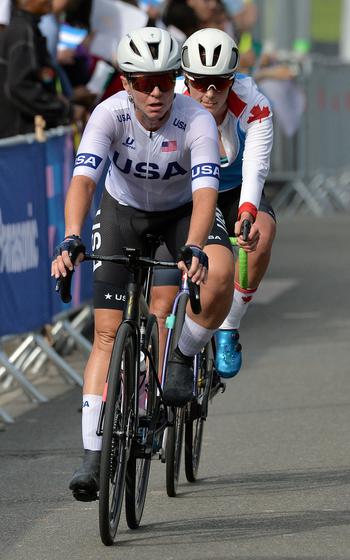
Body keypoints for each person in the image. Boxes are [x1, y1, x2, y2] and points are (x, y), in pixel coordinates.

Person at [51, 27, 235, 501]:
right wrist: (71, 237)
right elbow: (84, 183)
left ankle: (178, 357)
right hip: (121, 213)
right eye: (145, 81)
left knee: (208, 279)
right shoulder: (107, 114)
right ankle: (93, 457)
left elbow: (205, 193)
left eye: (166, 81)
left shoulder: (195, 119)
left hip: (180, 216)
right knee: (108, 335)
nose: (156, 92)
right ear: (126, 82)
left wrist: (194, 247)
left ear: (176, 80)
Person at [151, 27, 275, 378]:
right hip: (186, 187)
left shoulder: (254, 104)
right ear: (183, 78)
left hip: (234, 187)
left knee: (260, 235)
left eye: (218, 84)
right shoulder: (169, 97)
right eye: (198, 82)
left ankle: (228, 325)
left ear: (232, 80)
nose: (207, 93)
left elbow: (256, 165)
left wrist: (248, 211)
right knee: (161, 296)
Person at [0, 0, 80, 139]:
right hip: (18, 139)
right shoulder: (22, 31)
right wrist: (66, 110)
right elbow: (20, 86)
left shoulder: (29, 29)